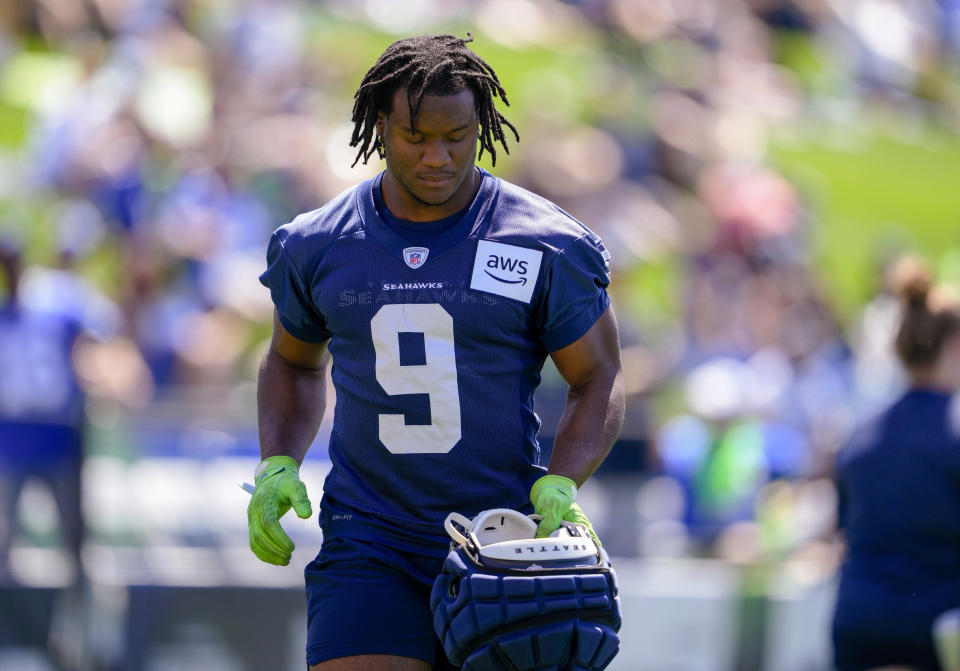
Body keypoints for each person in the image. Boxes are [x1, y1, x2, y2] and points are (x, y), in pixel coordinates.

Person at [247, 34, 624, 671]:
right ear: (377, 126)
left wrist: (563, 479)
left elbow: (599, 375)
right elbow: (291, 360)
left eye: (457, 136)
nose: (438, 156)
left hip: (502, 539)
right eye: (416, 136)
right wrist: (277, 464)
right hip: (369, 538)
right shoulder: (318, 244)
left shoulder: (544, 243)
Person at [833, 256, 960, 671]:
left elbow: (845, 533)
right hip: (935, 631)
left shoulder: (858, 436)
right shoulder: (954, 432)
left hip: (858, 625)